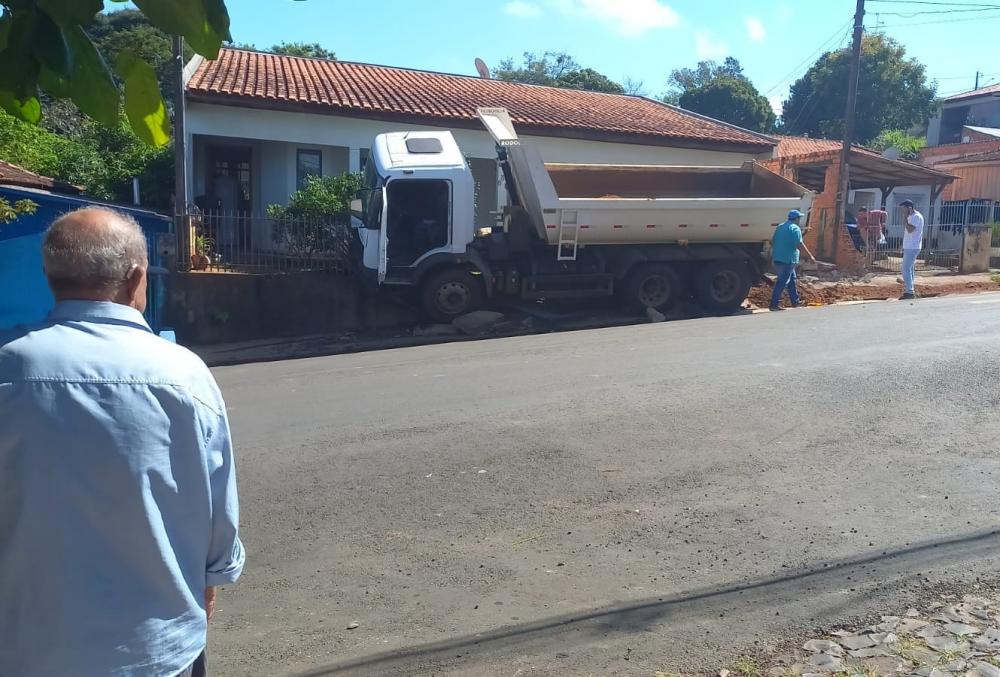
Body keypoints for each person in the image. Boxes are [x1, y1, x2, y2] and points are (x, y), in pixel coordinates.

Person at [0, 207, 244, 677]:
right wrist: (210, 579)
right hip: (156, 648)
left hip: (27, 646)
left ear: (52, 278)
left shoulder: (8, 370)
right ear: (136, 278)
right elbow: (218, 508)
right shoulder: (182, 373)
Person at [769, 209, 816, 311]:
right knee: (782, 281)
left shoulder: (780, 226)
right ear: (797, 219)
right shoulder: (795, 228)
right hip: (788, 260)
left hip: (778, 258)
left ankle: (795, 302)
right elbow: (799, 244)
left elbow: (772, 242)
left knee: (792, 280)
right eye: (799, 218)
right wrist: (810, 256)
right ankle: (774, 304)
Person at [898, 199, 925, 300]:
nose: (902, 211)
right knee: (910, 269)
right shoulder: (911, 216)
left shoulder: (916, 217)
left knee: (905, 269)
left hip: (912, 247)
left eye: (903, 209)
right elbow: (907, 232)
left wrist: (905, 217)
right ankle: (910, 289)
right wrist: (902, 244)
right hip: (909, 246)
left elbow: (910, 230)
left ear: (909, 208)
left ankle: (910, 292)